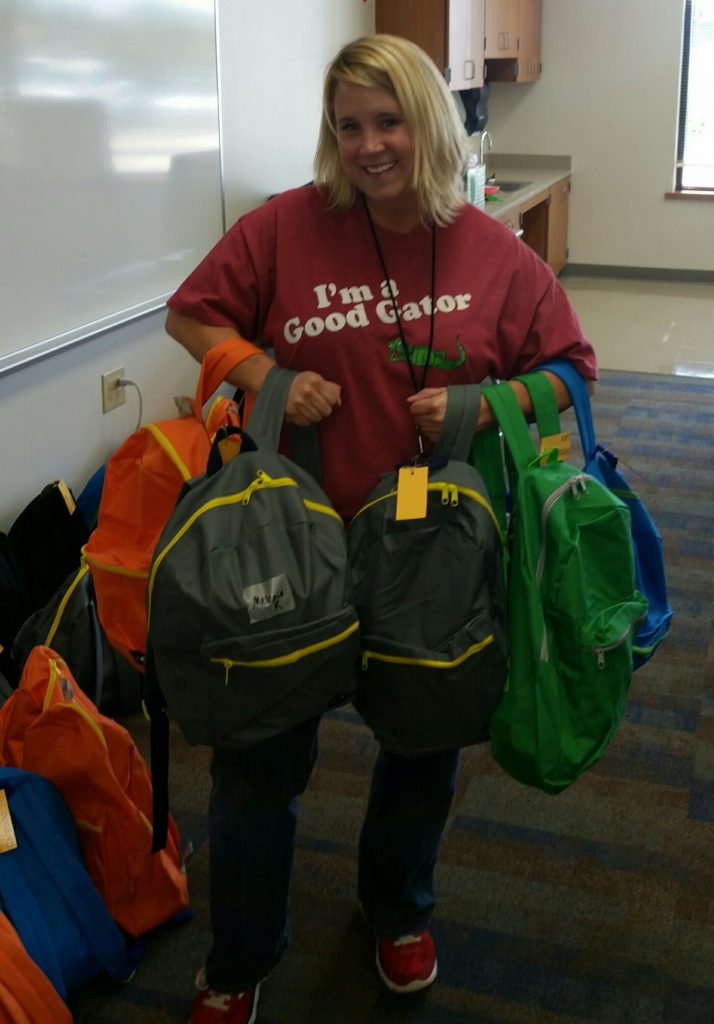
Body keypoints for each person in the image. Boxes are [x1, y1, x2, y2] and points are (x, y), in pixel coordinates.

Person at [165, 33, 597, 1024]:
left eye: (388, 121)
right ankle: (239, 953)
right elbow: (193, 315)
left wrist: (485, 404)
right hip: (301, 546)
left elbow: (573, 370)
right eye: (349, 125)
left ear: (427, 124)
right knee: (256, 762)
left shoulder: (491, 247)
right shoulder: (284, 228)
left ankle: (396, 908)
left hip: (429, 556)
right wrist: (264, 374)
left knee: (422, 747)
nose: (368, 145)